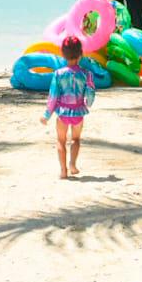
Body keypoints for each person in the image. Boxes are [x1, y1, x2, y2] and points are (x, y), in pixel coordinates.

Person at [40, 35, 95, 179]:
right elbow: (90, 94)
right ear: (80, 54)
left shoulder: (58, 74)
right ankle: (72, 164)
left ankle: (63, 171)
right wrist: (88, 103)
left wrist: (46, 115)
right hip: (78, 113)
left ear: (63, 54)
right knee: (76, 140)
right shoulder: (86, 74)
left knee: (61, 141)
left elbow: (53, 96)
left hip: (63, 113)